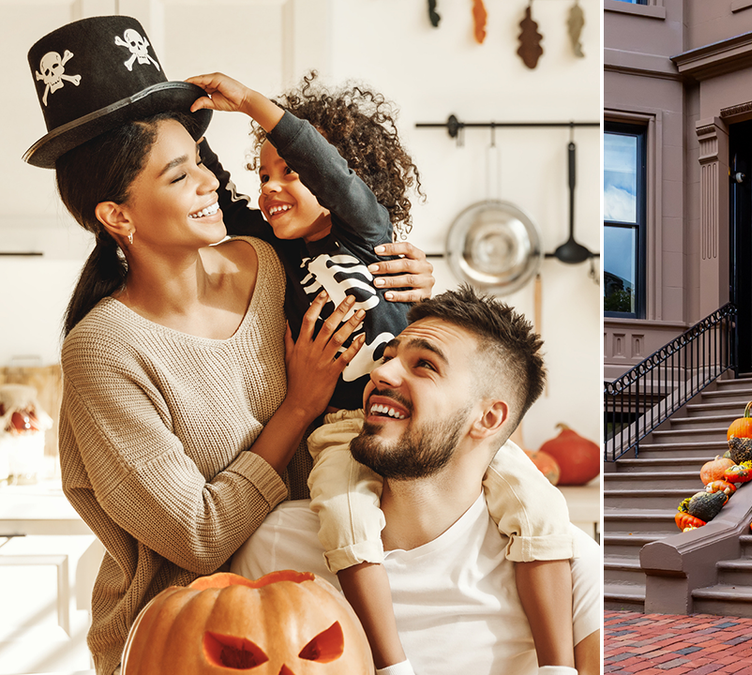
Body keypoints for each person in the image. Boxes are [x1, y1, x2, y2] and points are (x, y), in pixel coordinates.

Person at [20, 17, 432, 675]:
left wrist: (412, 277)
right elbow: (198, 534)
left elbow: (352, 251)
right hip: (186, 640)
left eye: (203, 163)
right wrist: (297, 407)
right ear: (117, 216)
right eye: (181, 176)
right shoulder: (102, 350)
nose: (212, 183)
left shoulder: (270, 264)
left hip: (317, 621)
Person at [185, 71, 580, 675]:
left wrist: (250, 104)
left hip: (434, 418)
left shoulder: (368, 234)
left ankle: (558, 664)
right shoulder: (267, 249)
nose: (272, 187)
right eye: (264, 175)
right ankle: (391, 664)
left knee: (539, 506)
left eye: (291, 172)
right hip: (345, 425)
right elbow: (219, 194)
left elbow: (330, 172)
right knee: (343, 514)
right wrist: (190, 125)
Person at [232, 286, 601, 675]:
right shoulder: (276, 548)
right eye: (389, 357)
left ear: (489, 419)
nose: (380, 372)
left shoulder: (574, 567)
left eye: (424, 365)